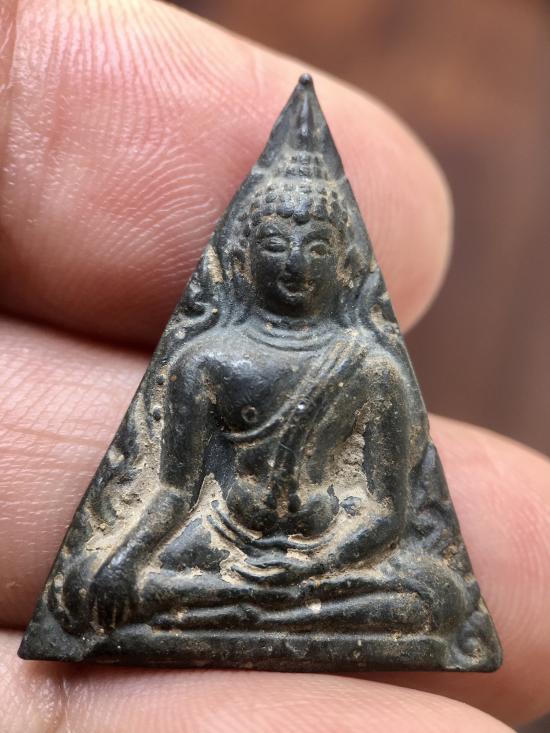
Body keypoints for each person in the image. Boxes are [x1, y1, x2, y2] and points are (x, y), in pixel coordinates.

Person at [1, 0, 549, 730]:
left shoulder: (368, 366)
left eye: (317, 247)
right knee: (90, 586)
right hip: (216, 540)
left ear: (345, 262)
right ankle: (237, 607)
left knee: (437, 598)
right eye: (275, 244)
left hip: (330, 553)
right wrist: (126, 558)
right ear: (243, 254)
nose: (295, 262)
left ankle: (244, 611)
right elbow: (172, 490)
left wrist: (312, 564)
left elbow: (385, 511)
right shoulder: (205, 358)